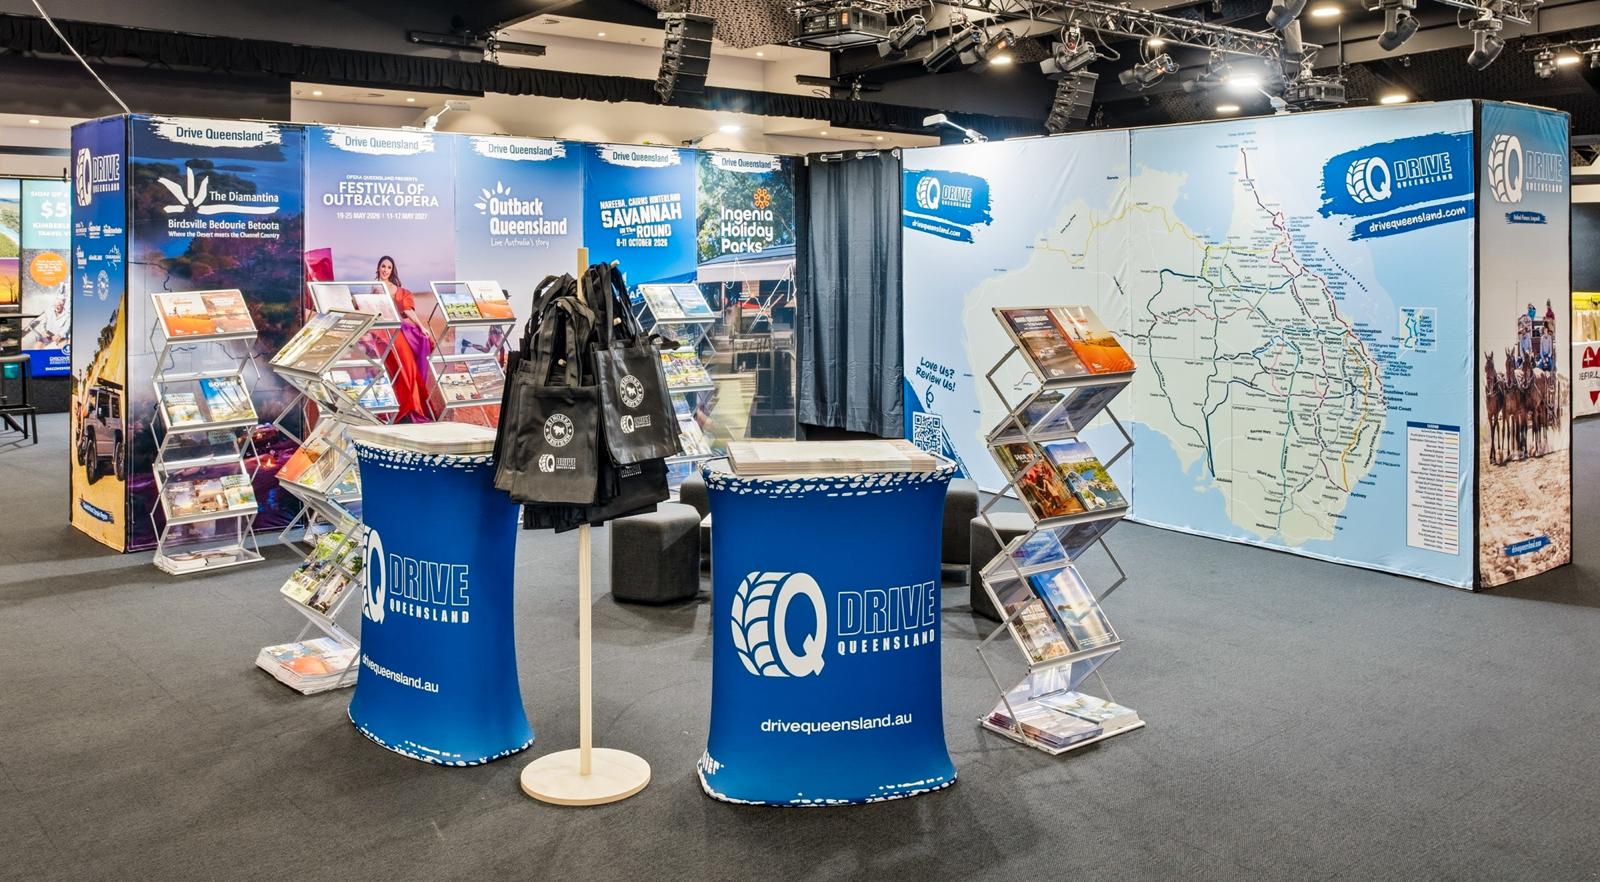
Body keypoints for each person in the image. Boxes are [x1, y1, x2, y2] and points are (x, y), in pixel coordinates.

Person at [376, 256, 433, 422]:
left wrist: (421, 326)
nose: (385, 270)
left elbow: (407, 311)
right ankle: (395, 407)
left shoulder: (396, 288)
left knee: (407, 366)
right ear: (378, 268)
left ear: (392, 270)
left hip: (396, 329)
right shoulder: (374, 287)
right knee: (389, 369)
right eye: (383, 266)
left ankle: (411, 407)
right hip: (380, 332)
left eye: (389, 267)